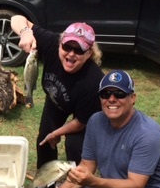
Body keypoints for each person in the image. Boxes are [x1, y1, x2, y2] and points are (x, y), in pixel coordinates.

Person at [10, 16, 104, 168]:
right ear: (60, 44)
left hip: (83, 115)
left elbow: (81, 122)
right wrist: (26, 32)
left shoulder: (93, 81)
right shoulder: (50, 44)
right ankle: (45, 184)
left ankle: (76, 184)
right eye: (67, 47)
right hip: (56, 101)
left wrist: (58, 133)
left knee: (75, 145)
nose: (71, 54)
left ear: (89, 54)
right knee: (45, 140)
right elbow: (16, 18)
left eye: (79, 50)